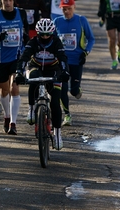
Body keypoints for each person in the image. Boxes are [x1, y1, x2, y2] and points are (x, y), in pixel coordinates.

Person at [15, 18, 70, 150]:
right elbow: (24, 57)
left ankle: (57, 134)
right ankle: (32, 109)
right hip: (37, 67)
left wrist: (65, 72)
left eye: (48, 34)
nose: (45, 37)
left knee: (55, 102)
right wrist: (18, 72)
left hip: (53, 70)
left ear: (52, 33)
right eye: (42, 34)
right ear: (38, 33)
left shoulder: (56, 42)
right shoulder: (33, 42)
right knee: (33, 77)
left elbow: (63, 59)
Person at [0, 0, 30, 135]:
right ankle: (7, 116)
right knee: (4, 90)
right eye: (5, 0)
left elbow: (26, 32)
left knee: (14, 88)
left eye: (10, 0)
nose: (7, 3)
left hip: (17, 57)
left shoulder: (21, 13)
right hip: (1, 59)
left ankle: (13, 122)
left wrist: (26, 39)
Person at [54, 0, 95, 126]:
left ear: (74, 7)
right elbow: (53, 40)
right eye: (64, 9)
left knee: (73, 91)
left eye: (69, 8)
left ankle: (77, 89)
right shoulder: (57, 22)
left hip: (77, 60)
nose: (66, 12)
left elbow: (91, 39)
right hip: (62, 62)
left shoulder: (81, 20)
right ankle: (67, 115)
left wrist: (85, 52)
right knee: (63, 89)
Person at [97, 0, 120, 70]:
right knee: (112, 40)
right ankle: (114, 60)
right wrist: (102, 15)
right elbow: (103, 2)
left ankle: (119, 50)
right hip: (110, 17)